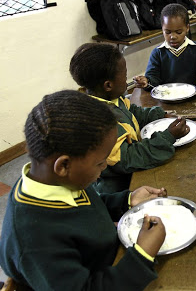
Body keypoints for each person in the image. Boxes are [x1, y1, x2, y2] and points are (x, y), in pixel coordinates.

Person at [0, 90, 168, 290]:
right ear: (63, 166)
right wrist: (143, 255)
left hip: (105, 256)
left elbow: (86, 207)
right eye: (99, 163)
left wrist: (127, 200)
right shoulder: (35, 243)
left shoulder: (53, 182)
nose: (105, 166)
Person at [70, 43, 189, 193]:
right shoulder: (98, 124)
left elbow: (131, 112)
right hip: (119, 187)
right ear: (108, 85)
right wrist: (168, 137)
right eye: (125, 75)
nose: (127, 79)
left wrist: (159, 115)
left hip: (134, 169)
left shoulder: (111, 97)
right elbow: (129, 158)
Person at [133, 3, 196, 98]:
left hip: (194, 97)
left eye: (179, 32)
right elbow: (153, 78)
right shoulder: (158, 53)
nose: (173, 36)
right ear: (162, 29)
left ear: (187, 28)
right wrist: (146, 82)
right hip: (166, 100)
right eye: (167, 32)